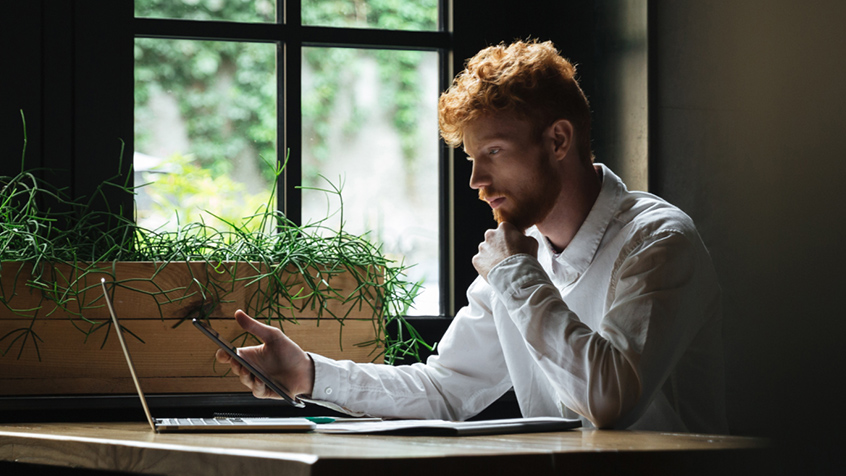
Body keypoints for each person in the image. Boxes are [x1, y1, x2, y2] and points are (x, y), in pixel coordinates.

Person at [216, 39, 729, 433]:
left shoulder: (658, 241)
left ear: (558, 140)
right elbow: (444, 389)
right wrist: (309, 373)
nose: (476, 181)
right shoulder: (517, 258)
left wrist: (515, 274)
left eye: (495, 153)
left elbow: (611, 400)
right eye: (471, 159)